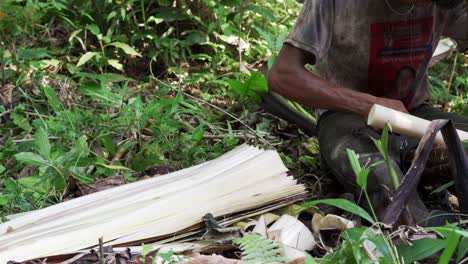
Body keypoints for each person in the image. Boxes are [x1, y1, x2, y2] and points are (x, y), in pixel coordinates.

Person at [268, 0, 468, 225]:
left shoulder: (444, 4)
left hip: (416, 116)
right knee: (382, 178)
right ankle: (426, 237)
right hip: (345, 118)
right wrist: (367, 105)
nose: (426, 6)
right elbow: (283, 74)